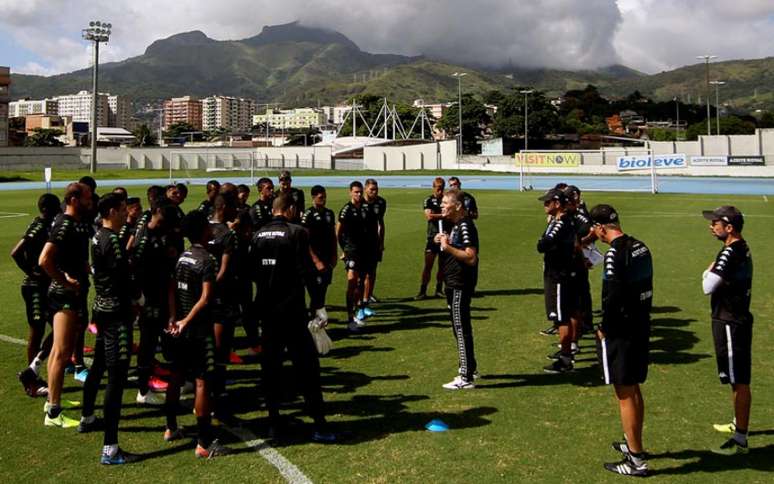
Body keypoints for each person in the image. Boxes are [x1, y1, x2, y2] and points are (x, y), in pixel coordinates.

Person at [250, 193, 334, 442]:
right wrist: (318, 305)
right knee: (308, 369)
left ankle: (274, 424)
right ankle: (319, 424)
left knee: (271, 369)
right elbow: (307, 272)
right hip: (292, 311)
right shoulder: (297, 232)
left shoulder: (258, 234)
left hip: (268, 311)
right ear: (290, 209)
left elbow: (254, 272)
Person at [590, 204, 653, 477]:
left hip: (622, 330)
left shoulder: (614, 254)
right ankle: (633, 444)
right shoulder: (640, 246)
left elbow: (613, 295)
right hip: (640, 323)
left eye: (594, 228)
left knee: (624, 392)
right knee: (634, 388)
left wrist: (605, 327)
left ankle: (636, 460)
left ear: (601, 227)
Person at [77, 193, 139, 464]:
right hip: (116, 314)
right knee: (116, 376)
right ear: (112, 211)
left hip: (102, 310)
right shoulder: (111, 239)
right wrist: (139, 299)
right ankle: (110, 448)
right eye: (123, 209)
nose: (127, 212)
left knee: (99, 365)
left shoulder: (97, 236)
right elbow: (121, 275)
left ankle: (87, 416)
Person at [164, 210, 231, 458]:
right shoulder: (207, 260)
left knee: (177, 375)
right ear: (203, 230)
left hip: (179, 329)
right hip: (198, 330)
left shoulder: (183, 257)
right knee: (203, 382)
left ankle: (170, 427)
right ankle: (204, 442)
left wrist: (174, 318)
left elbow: (171, 288)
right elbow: (205, 298)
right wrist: (186, 321)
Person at [39, 182, 93, 427]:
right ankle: (53, 413)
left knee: (58, 351)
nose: (90, 201)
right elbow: (45, 260)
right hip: (64, 296)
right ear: (74, 199)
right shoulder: (64, 223)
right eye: (87, 197)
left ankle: (52, 399)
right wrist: (66, 281)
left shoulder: (76, 224)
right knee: (62, 352)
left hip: (70, 293)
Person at [701, 206, 754, 455]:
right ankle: (738, 423)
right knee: (736, 378)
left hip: (731, 320)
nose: (711, 226)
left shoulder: (729, 253)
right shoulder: (739, 248)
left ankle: (740, 438)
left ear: (729, 228)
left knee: (738, 380)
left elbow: (708, 286)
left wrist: (707, 271)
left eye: (715, 223)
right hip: (735, 318)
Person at [131, 199, 180, 405]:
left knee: (166, 342)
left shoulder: (161, 235)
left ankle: (164, 379)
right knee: (148, 344)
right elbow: (133, 271)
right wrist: (139, 300)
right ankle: (143, 391)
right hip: (149, 301)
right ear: (156, 212)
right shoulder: (143, 240)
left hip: (162, 297)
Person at [13, 193, 61, 397]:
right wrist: (30, 272)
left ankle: (33, 368)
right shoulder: (39, 226)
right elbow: (16, 252)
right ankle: (31, 380)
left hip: (45, 285)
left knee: (58, 327)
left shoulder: (46, 224)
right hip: (34, 287)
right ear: (50, 209)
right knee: (37, 329)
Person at [436, 189, 480, 390]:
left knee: (460, 329)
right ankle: (470, 367)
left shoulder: (464, 226)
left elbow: (471, 257)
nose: (442, 206)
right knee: (459, 328)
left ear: (458, 206)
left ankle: (465, 376)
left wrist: (447, 246)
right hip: (454, 283)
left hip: (459, 284)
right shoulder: (456, 226)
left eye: (446, 202)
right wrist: (445, 241)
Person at [206, 192, 241, 417]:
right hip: (221, 297)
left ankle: (209, 390)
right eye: (234, 207)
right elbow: (224, 271)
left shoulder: (204, 227)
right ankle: (216, 395)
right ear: (225, 207)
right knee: (220, 349)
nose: (237, 210)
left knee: (206, 347)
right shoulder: (228, 235)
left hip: (199, 296)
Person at [537, 188, 578, 374]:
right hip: (563, 272)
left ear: (557, 204)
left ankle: (565, 359)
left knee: (561, 317)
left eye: (548, 202)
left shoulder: (560, 224)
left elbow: (542, 245)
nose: (545, 205)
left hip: (558, 275)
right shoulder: (562, 221)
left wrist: (543, 239)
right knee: (565, 315)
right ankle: (567, 354)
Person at [301, 185, 338, 325]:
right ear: (313, 197)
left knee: (322, 290)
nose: (323, 200)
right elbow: (305, 240)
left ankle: (317, 320)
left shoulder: (329, 213)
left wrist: (334, 254)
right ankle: (313, 319)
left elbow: (332, 236)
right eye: (321, 197)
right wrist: (316, 260)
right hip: (313, 261)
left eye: (325, 197)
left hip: (327, 258)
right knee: (314, 292)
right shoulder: (308, 215)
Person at [337, 181, 369, 331]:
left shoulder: (364, 208)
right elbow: (338, 232)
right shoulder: (346, 210)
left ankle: (357, 313)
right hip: (351, 251)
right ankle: (349, 319)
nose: (359, 194)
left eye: (360, 192)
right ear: (350, 192)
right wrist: (344, 250)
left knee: (361, 282)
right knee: (352, 282)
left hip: (363, 251)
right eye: (356, 192)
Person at [415, 177, 448, 299]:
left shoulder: (446, 200)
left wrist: (440, 215)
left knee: (443, 265)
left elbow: (450, 215)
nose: (440, 191)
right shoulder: (428, 200)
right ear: (433, 187)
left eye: (442, 188)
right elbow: (429, 216)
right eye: (438, 188)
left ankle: (439, 290)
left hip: (445, 236)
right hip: (432, 236)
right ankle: (422, 291)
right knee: (428, 265)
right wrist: (443, 215)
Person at [362, 178, 386, 309]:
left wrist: (381, 242)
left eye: (376, 189)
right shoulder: (359, 202)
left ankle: (369, 294)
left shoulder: (381, 202)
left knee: (372, 271)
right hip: (360, 244)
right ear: (366, 189)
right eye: (372, 189)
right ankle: (361, 299)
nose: (374, 192)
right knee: (362, 274)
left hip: (374, 242)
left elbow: (380, 223)